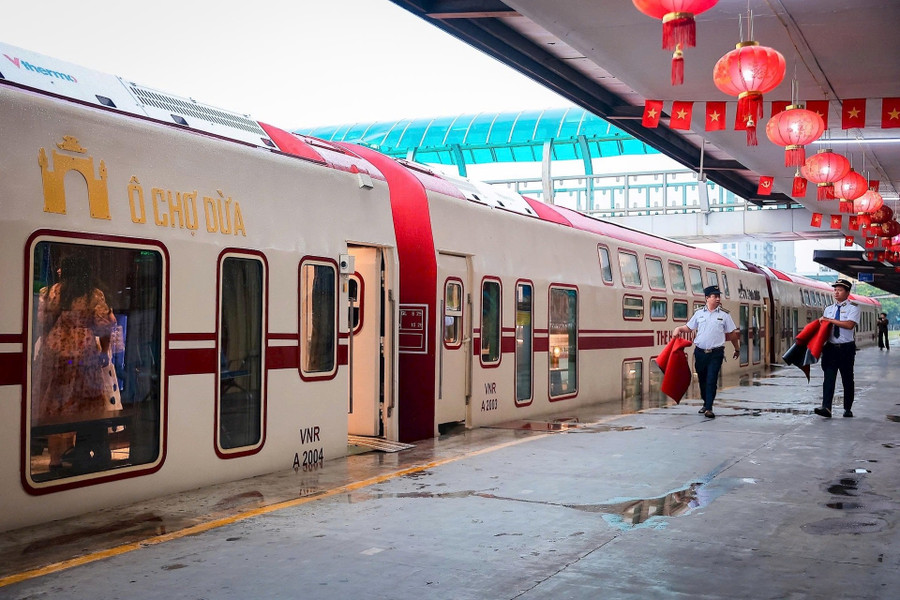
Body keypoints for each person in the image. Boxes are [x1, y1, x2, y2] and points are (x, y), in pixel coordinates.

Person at [33, 254, 117, 472]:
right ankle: (80, 453)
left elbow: (43, 321)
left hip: (54, 350)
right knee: (84, 404)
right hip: (84, 352)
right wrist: (104, 351)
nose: (58, 271)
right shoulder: (93, 294)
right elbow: (105, 325)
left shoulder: (51, 292)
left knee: (56, 405)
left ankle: (55, 459)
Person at [672, 285, 740, 419]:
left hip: (716, 353)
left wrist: (737, 348)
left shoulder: (724, 315)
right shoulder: (699, 313)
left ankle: (709, 408)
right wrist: (678, 329)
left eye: (718, 296)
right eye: (715, 296)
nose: (718, 299)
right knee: (702, 379)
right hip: (700, 352)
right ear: (707, 298)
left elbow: (732, 334)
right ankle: (705, 402)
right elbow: (689, 327)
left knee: (711, 380)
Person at [815, 278, 860, 419]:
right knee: (828, 378)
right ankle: (826, 407)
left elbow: (849, 325)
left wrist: (830, 320)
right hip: (830, 348)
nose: (836, 292)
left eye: (840, 290)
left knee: (847, 379)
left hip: (846, 349)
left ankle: (847, 408)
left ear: (847, 292)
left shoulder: (853, 308)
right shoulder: (829, 309)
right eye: (835, 290)